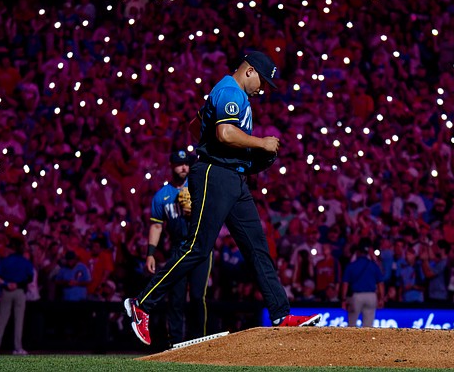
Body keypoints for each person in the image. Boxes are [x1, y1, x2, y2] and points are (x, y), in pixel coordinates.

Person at [124, 50, 321, 346]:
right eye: (263, 81)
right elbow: (226, 133)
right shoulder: (230, 90)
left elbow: (196, 127)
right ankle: (142, 305)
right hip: (214, 175)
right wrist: (260, 143)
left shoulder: (225, 92)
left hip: (232, 177)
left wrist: (238, 155)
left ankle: (281, 315)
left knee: (257, 248)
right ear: (250, 70)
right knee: (197, 248)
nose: (263, 88)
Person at [145, 149, 212, 346]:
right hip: (178, 249)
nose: (184, 167)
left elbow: (211, 217)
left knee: (198, 296)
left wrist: (195, 211)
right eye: (179, 164)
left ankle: (199, 341)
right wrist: (150, 254)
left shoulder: (198, 187)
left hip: (199, 247)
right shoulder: (162, 196)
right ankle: (175, 342)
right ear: (171, 165)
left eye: (186, 164)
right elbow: (157, 225)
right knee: (176, 298)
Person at [0, 237, 34, 355]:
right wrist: (17, 284)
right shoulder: (25, 261)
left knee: (1, 320)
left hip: (6, 290)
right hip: (19, 291)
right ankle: (17, 348)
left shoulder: (5, 260)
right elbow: (30, 278)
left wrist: (6, 283)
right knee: (18, 320)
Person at [340, 239, 384, 328]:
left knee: (352, 324)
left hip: (356, 296)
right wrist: (381, 298)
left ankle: (350, 342)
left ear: (358, 252)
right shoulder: (373, 265)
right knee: (368, 326)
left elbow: (345, 284)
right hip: (371, 296)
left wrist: (343, 299)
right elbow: (380, 284)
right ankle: (367, 342)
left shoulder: (352, 265)